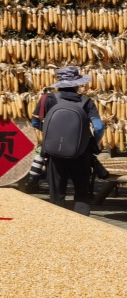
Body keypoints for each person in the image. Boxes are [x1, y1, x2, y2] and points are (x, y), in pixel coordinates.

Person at [31, 66, 105, 215]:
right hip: (82, 154)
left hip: (54, 153)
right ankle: (83, 226)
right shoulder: (86, 101)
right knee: (82, 193)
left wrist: (52, 135)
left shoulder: (47, 99)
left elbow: (35, 123)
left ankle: (61, 227)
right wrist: (90, 142)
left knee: (57, 193)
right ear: (78, 83)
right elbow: (98, 126)